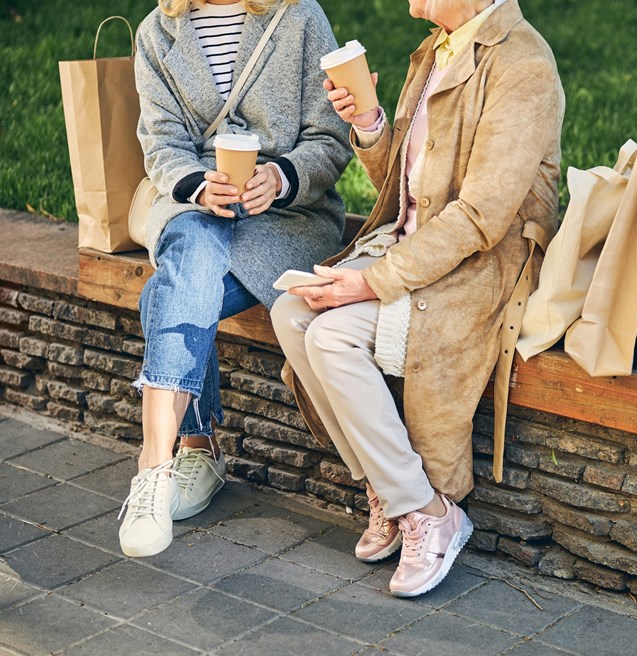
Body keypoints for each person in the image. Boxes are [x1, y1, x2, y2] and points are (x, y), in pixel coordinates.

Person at [270, 0, 564, 597]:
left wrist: (370, 282)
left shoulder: (523, 63)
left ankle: (428, 511)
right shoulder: (436, 49)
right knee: (291, 311)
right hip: (415, 245)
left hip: (479, 267)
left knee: (331, 334)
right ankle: (388, 486)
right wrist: (371, 123)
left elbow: (479, 218)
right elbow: (403, 190)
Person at [117, 0, 352, 557]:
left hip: (287, 219)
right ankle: (159, 466)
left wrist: (282, 176)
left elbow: (331, 138)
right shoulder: (157, 32)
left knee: (168, 292)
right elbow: (162, 144)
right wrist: (199, 186)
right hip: (196, 209)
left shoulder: (300, 18)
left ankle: (191, 452)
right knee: (192, 254)